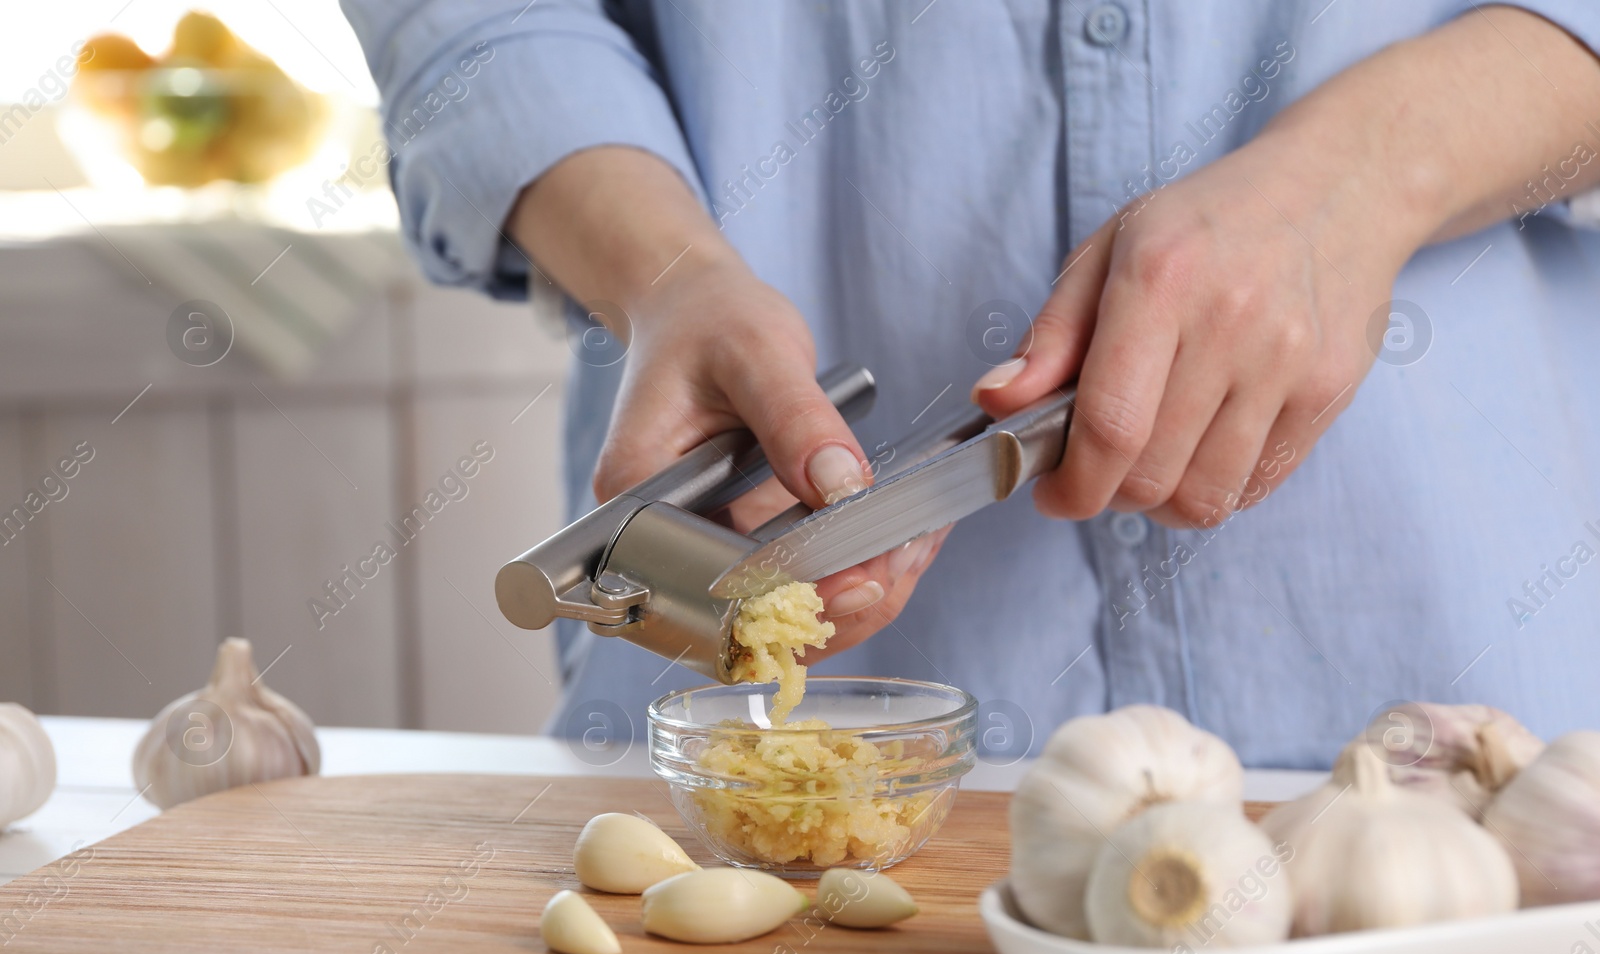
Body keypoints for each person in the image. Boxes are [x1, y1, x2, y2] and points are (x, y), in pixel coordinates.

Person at [341, 1, 1600, 768]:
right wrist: (660, 272)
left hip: (1468, 694)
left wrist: (1364, 176)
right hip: (770, 770)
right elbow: (467, 17)